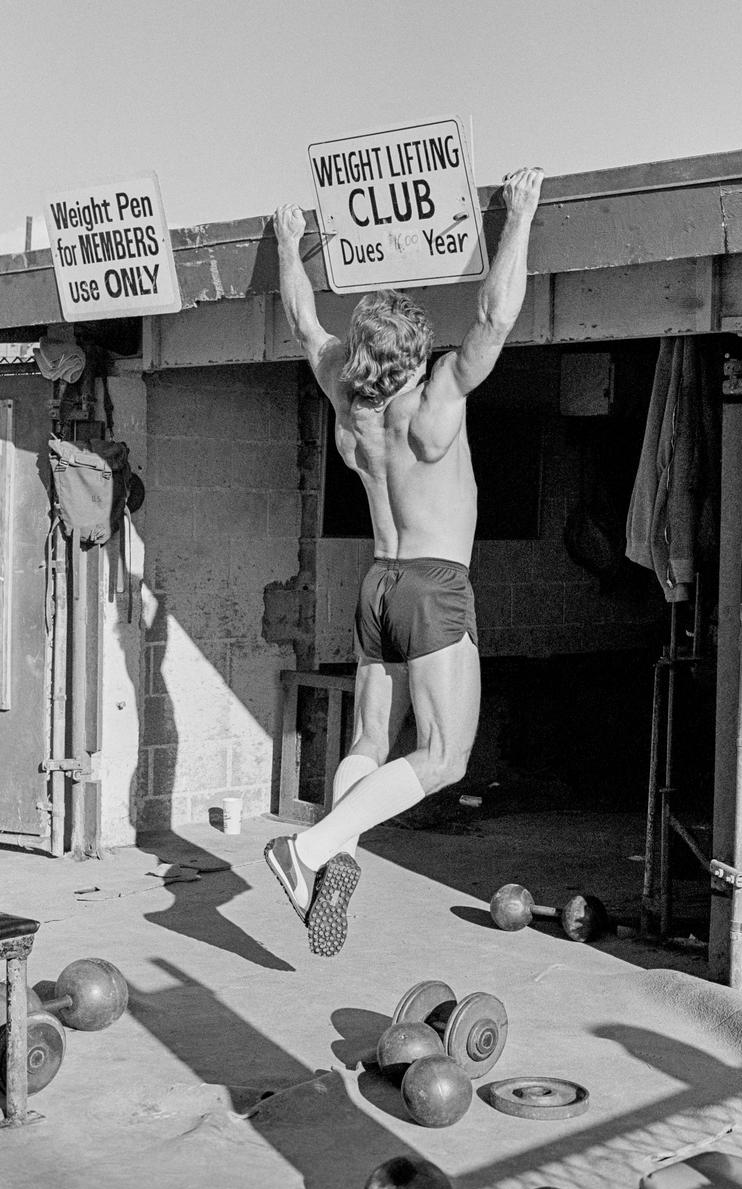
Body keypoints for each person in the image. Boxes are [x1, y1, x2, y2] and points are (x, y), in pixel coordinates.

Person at [266, 167, 545, 955]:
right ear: (418, 354)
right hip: (433, 585)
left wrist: (291, 243)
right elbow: (495, 314)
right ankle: (313, 848)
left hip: (378, 582)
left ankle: (333, 863)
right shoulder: (439, 399)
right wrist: (519, 216)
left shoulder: (341, 393)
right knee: (444, 756)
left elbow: (301, 321)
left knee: (367, 744)